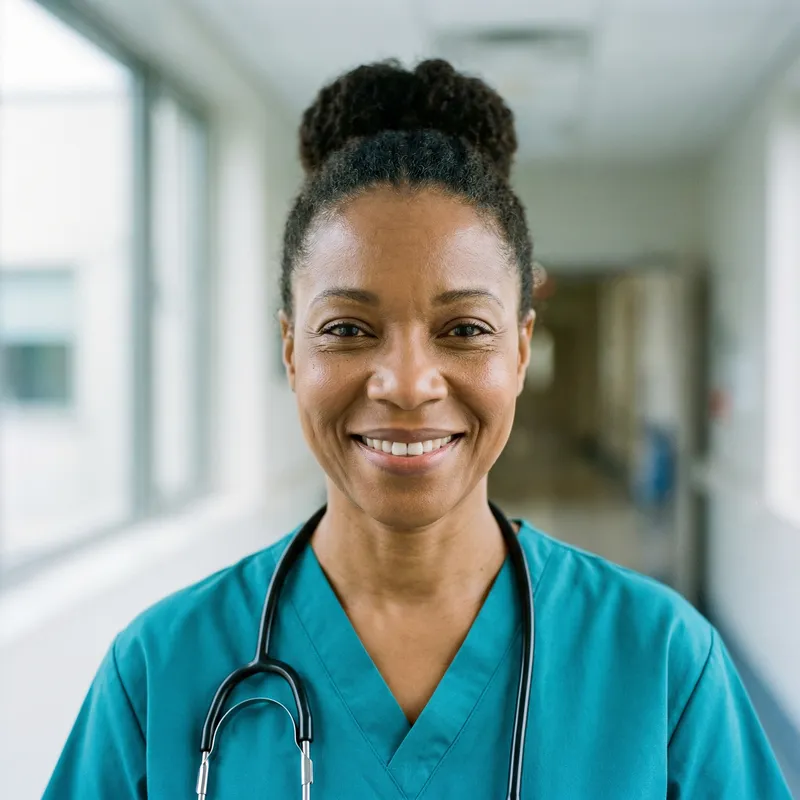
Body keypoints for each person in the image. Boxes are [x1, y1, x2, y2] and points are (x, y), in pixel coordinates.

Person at [44, 59, 791, 800]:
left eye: (464, 328)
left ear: (522, 350)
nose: (405, 383)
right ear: (291, 350)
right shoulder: (160, 671)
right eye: (347, 327)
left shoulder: (661, 664)